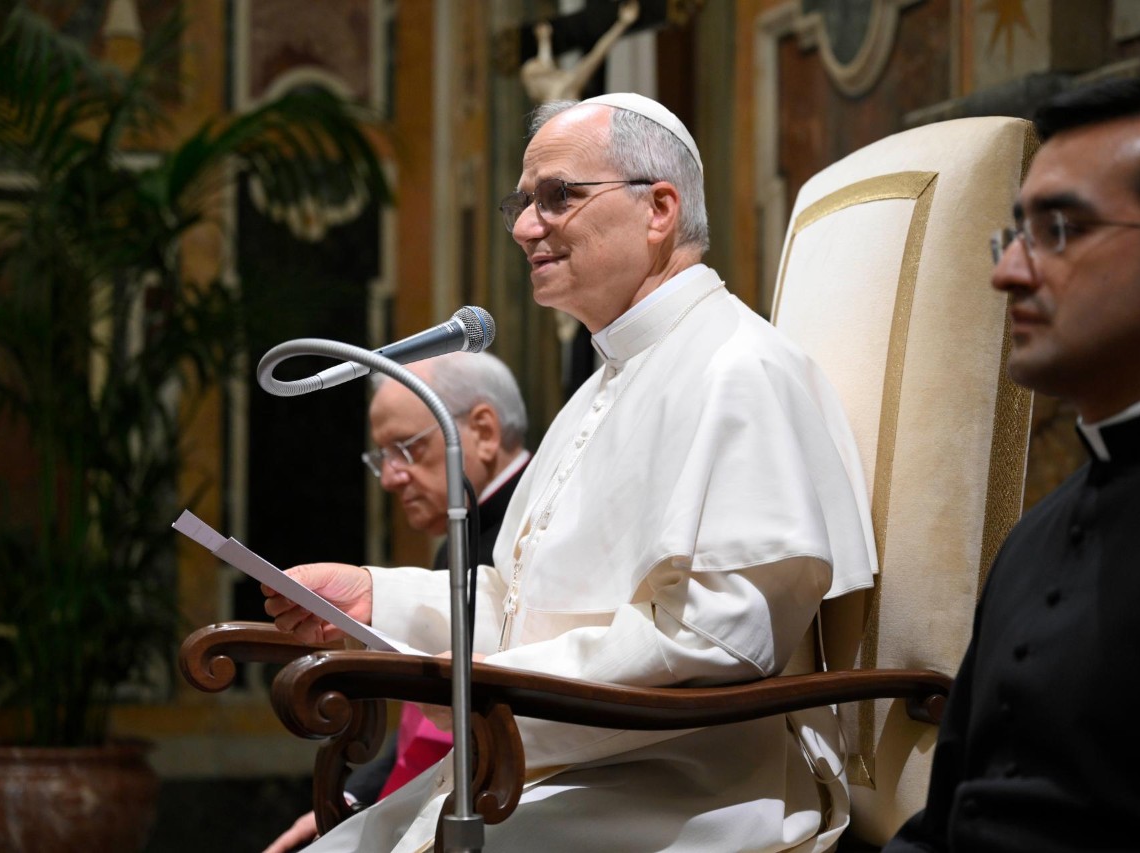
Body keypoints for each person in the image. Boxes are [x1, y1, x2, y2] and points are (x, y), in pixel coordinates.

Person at [265, 92, 877, 852]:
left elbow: (719, 640)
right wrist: (376, 598)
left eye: (557, 196)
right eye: (522, 202)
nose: (525, 227)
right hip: (566, 767)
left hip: (689, 787)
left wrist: (495, 683)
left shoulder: (739, 369)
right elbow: (521, 607)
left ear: (659, 209)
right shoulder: (601, 386)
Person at [885, 79, 1140, 852]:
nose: (1008, 272)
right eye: (1014, 235)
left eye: (1058, 231)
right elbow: (945, 820)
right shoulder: (1034, 536)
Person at [264, 352, 530, 853]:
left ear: (484, 431)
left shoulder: (530, 526)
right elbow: (420, 723)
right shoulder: (460, 532)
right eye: (382, 456)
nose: (389, 478)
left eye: (407, 449)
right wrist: (357, 797)